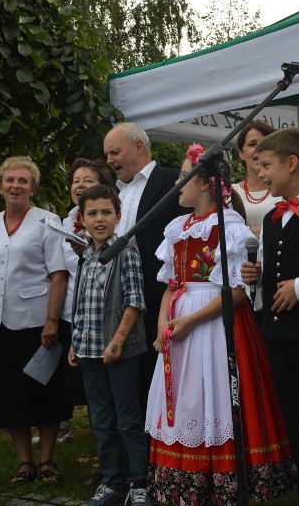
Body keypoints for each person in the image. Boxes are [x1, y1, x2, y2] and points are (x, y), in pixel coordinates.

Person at [147, 144, 295, 505]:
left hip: (213, 325)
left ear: (205, 182)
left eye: (184, 176)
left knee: (212, 392)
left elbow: (237, 292)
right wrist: (164, 324)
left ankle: (220, 480)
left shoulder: (229, 226)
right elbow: (171, 285)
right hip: (180, 322)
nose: (177, 184)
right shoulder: (177, 227)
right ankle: (184, 482)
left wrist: (189, 321)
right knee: (184, 398)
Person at [240, 128, 299, 505]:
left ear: (291, 164)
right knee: (292, 419)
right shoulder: (273, 219)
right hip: (276, 336)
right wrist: (256, 279)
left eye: (266, 166)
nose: (261, 174)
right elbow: (271, 276)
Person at [0, 156, 70, 483]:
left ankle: (47, 461)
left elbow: (59, 274)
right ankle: (24, 463)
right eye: (10, 180)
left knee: (44, 392)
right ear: (0, 186)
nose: (16, 185)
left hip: (35, 320)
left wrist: (52, 321)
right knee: (8, 394)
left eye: (23, 181)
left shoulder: (48, 221)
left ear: (33, 187)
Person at [66, 184, 148, 506]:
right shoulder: (86, 256)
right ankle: (112, 483)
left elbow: (134, 302)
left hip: (119, 350)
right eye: (92, 213)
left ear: (118, 215)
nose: (99, 219)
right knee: (101, 420)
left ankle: (138, 482)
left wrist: (117, 341)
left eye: (106, 212)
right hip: (88, 350)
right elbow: (81, 304)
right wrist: (75, 341)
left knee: (128, 418)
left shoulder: (125, 252)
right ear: (82, 219)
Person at [103, 122, 184, 405]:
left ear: (139, 147)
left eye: (115, 152)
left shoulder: (174, 180)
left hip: (158, 292)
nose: (110, 160)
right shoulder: (112, 192)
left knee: (158, 370)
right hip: (120, 296)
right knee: (129, 372)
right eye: (107, 155)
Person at [60, 158, 112, 469]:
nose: (80, 185)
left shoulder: (109, 219)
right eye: (76, 180)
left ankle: (116, 462)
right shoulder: (66, 222)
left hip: (106, 313)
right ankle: (102, 457)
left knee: (110, 392)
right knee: (91, 395)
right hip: (75, 313)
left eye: (87, 180)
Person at [231, 120, 279, 236]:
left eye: (265, 143)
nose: (259, 149)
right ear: (241, 154)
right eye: (252, 144)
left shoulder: (284, 191)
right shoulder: (230, 192)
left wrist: (243, 231)